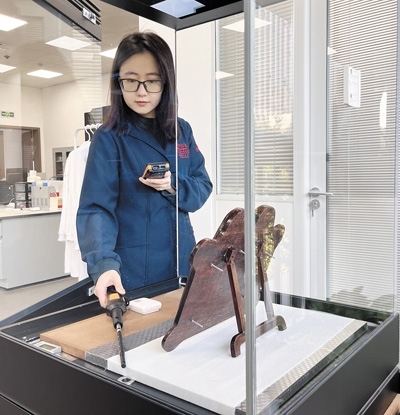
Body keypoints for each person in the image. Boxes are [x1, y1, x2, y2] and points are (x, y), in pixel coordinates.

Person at [77, 32, 213, 308]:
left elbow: (202, 185)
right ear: (118, 83)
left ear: (166, 83)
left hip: (182, 257)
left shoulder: (181, 129)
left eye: (151, 81)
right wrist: (103, 264)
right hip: (135, 267)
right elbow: (96, 210)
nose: (141, 91)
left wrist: (172, 185)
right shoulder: (109, 137)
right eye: (131, 80)